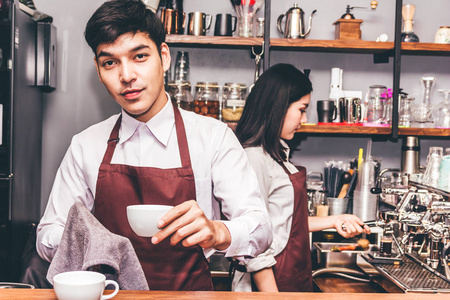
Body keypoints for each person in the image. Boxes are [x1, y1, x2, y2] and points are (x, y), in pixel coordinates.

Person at [36, 0, 272, 291]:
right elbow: (47, 234)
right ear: (98, 71)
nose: (126, 76)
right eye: (110, 62)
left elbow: (260, 227)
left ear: (164, 57)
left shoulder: (213, 137)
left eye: (139, 56)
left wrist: (217, 231)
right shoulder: (86, 145)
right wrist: (82, 238)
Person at [232, 64, 371, 292]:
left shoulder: (278, 154)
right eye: (302, 109)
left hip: (291, 277)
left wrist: (335, 220)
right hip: (267, 285)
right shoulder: (254, 158)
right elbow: (254, 242)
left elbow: (285, 223)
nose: (304, 119)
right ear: (278, 107)